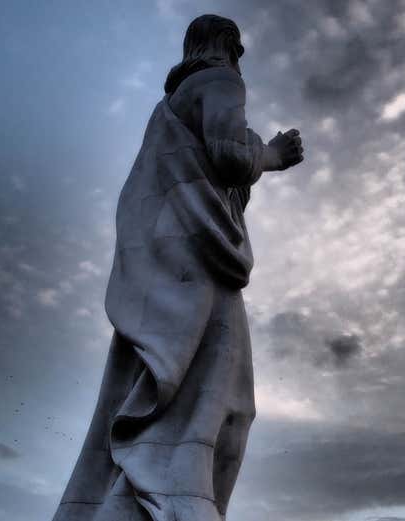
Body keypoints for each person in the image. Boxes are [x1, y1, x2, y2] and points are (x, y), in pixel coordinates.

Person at [50, 14, 304, 521]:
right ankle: (178, 504)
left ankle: (139, 505)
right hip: (201, 272)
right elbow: (230, 157)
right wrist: (272, 155)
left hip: (175, 270)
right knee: (225, 410)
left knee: (173, 403)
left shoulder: (166, 108)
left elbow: (202, 181)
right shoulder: (220, 81)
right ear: (231, 48)